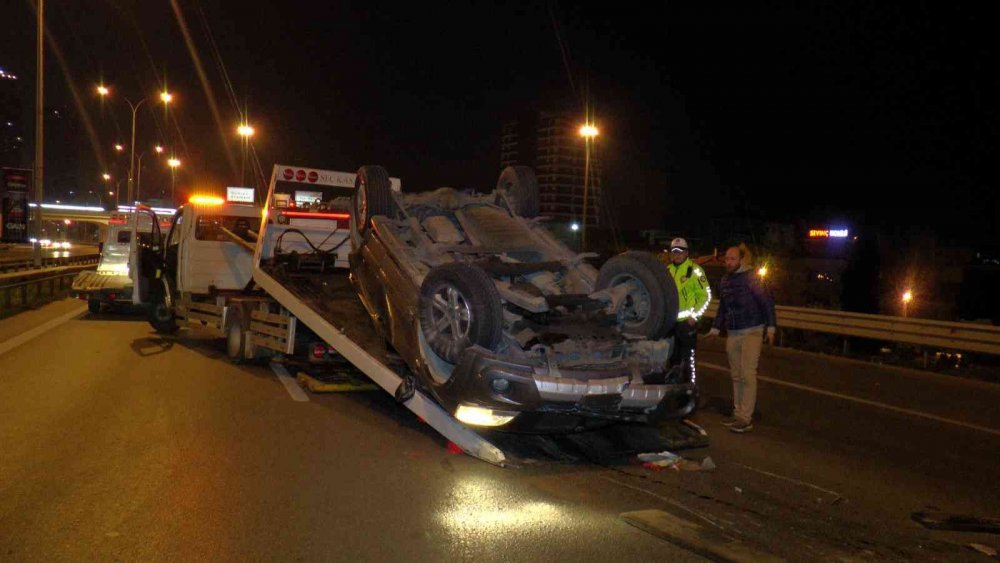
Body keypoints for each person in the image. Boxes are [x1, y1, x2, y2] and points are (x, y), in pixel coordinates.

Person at [706, 244, 776, 433]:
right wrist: (715, 328)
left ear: (741, 260)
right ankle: (738, 414)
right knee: (736, 375)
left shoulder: (751, 278)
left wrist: (771, 327)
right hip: (733, 332)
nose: (728, 262)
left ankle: (746, 418)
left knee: (747, 374)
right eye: (726, 259)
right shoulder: (725, 281)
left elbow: (766, 301)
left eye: (732, 259)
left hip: (752, 330)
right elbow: (723, 307)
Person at [665, 238, 712, 384]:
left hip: (687, 324)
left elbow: (706, 296)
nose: (677, 254)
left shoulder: (695, 270)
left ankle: (689, 390)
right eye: (674, 251)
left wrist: (695, 316)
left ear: (686, 252)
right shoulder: (667, 271)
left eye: (680, 251)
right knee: (671, 359)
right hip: (671, 323)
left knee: (687, 360)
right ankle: (673, 393)